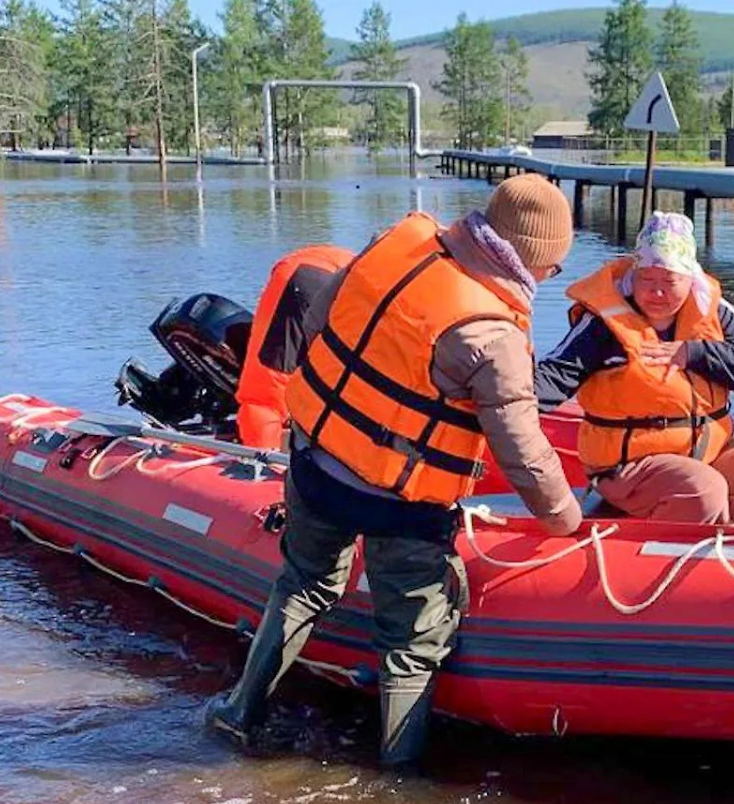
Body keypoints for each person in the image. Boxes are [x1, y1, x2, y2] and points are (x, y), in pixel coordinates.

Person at [206, 174, 584, 766]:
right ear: (537, 261)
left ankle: (238, 712)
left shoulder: (397, 243)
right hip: (400, 503)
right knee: (412, 640)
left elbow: (324, 318)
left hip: (316, 457)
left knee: (302, 584)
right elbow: (522, 449)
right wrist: (566, 519)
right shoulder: (494, 333)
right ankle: (399, 775)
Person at [534, 210, 734, 526]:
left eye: (669, 282)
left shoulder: (716, 313)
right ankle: (668, 549)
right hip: (628, 464)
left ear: (690, 278)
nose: (656, 292)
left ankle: (733, 555)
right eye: (646, 279)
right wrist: (502, 400)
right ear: (634, 274)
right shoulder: (602, 323)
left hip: (707, 451)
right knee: (702, 490)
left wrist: (694, 353)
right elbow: (556, 374)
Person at [235, 245, 354, 449]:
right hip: (321, 276)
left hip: (324, 274)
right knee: (268, 394)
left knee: (268, 391)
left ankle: (268, 458)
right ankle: (267, 458)